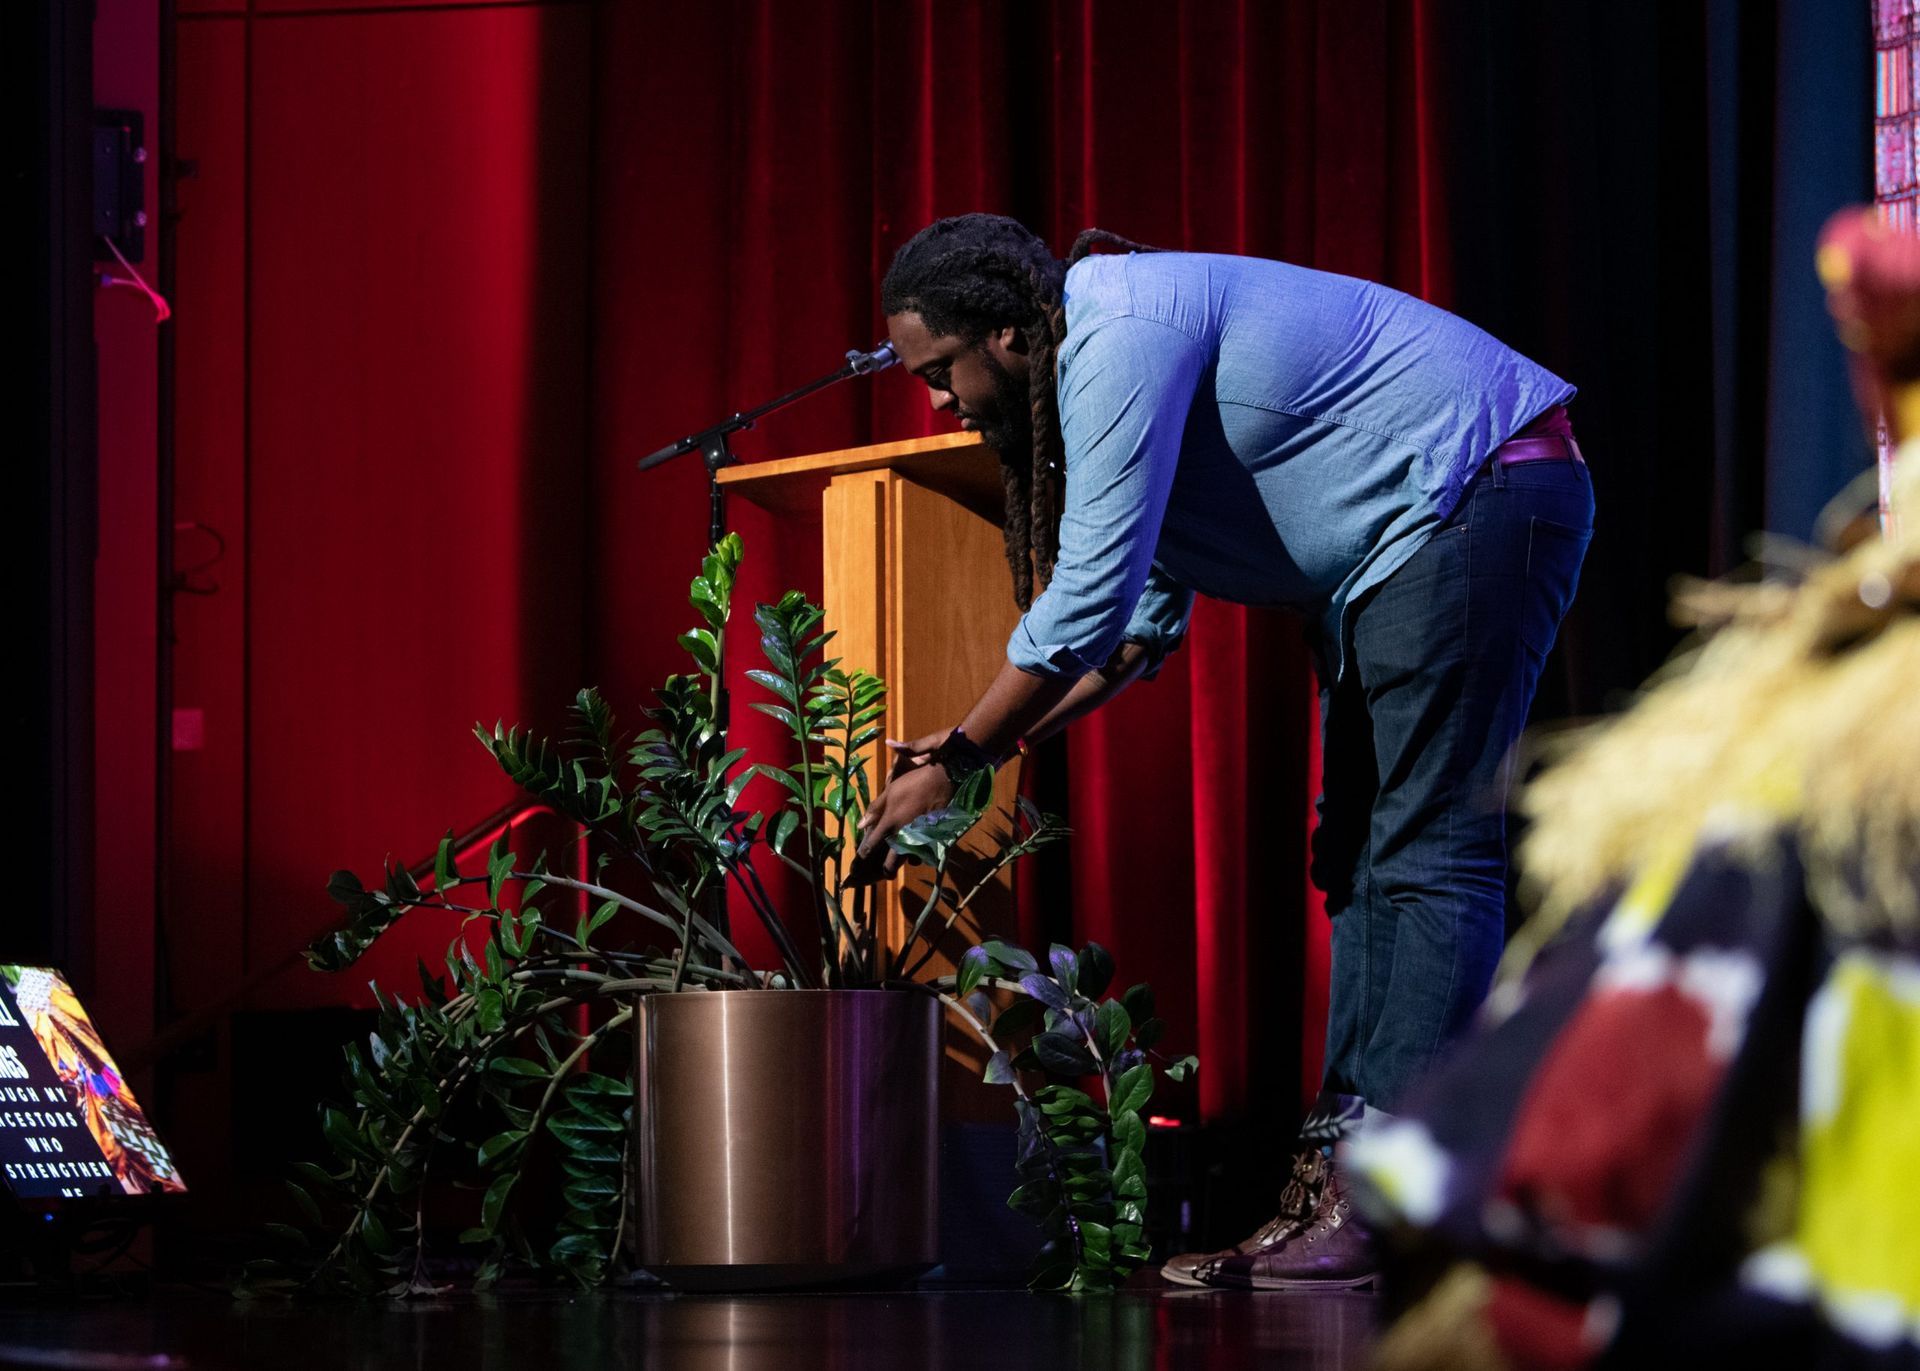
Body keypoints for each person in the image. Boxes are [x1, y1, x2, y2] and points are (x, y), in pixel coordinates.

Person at [849, 212, 1594, 1290]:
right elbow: (1137, 629)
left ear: (1007, 333)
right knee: (1358, 862)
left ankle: (1394, 1196)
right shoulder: (1086, 372)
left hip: (1473, 491)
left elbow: (1088, 601)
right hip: (1404, 545)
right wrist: (989, 754)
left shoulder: (1114, 329)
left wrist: (966, 752)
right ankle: (1346, 1179)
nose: (937, 402)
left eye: (939, 372)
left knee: (1427, 854)